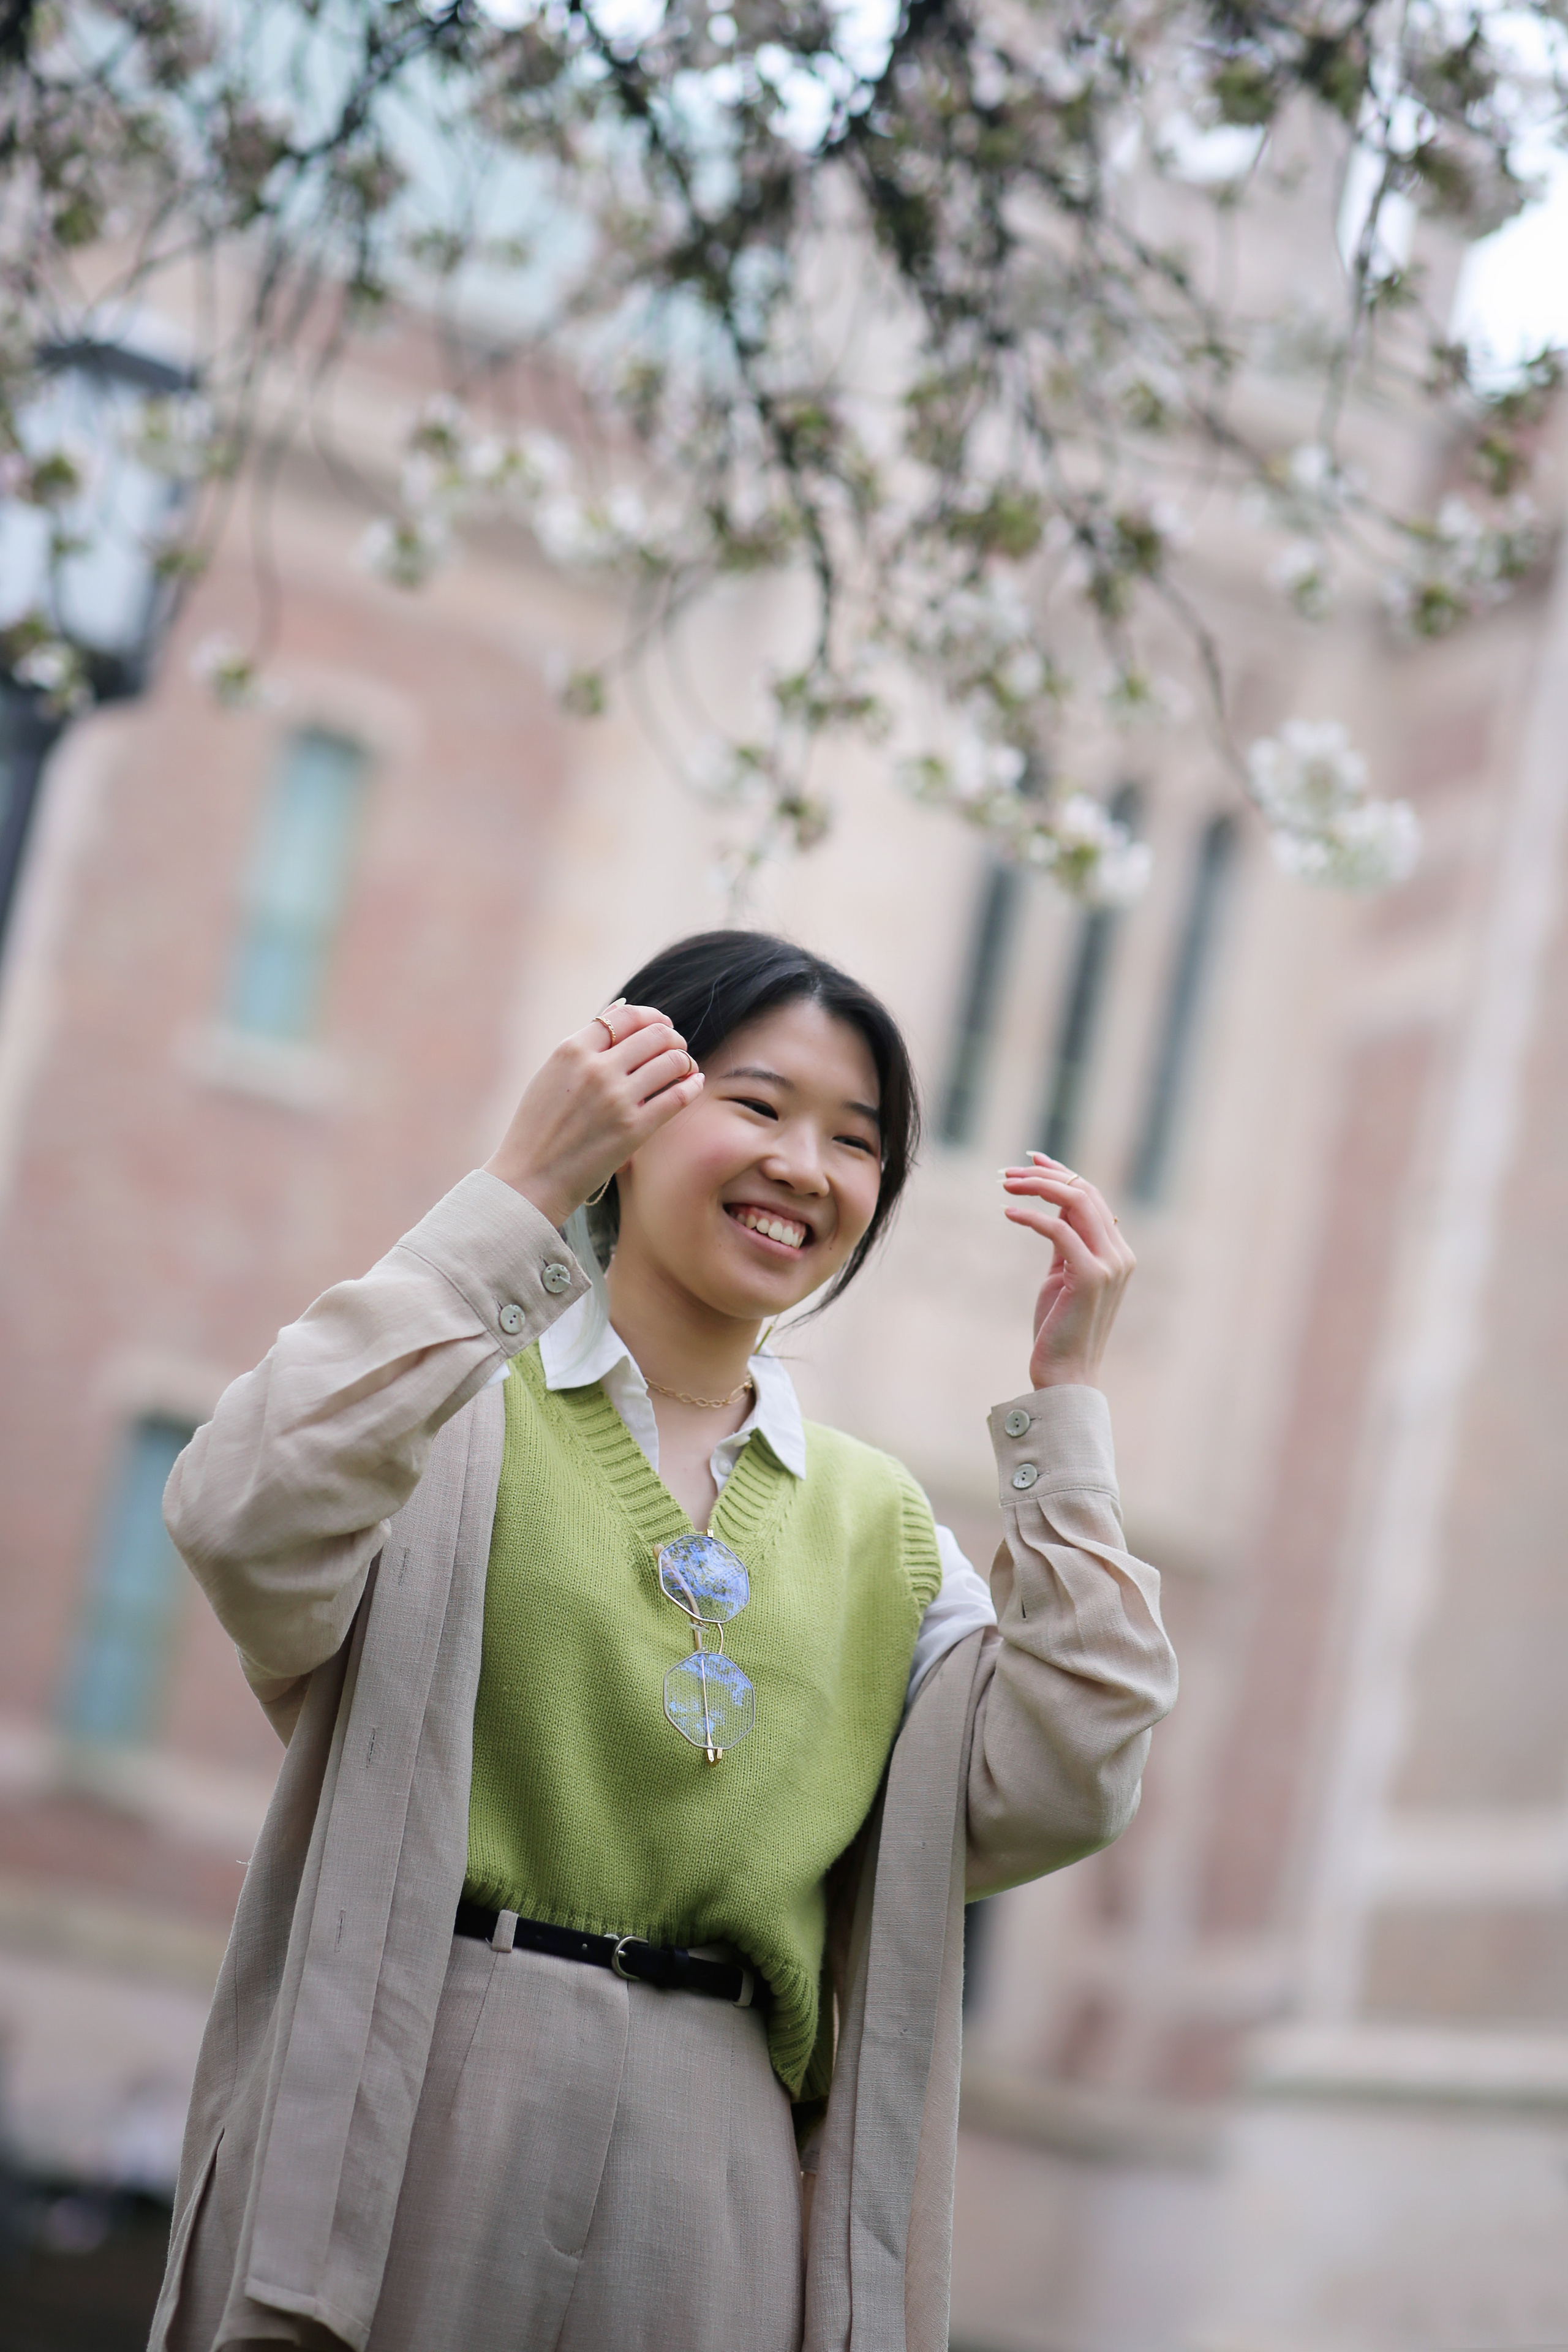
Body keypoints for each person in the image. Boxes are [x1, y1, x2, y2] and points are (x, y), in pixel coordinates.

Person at [149, 927, 1177, 2352]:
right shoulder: (444, 1415)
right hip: (427, 2070)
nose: (805, 1169)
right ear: (627, 1113)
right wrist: (515, 1195)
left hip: (717, 2147)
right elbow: (240, 1511)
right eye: (756, 1106)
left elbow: (1071, 1778)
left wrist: (1064, 1411)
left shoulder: (886, 1531)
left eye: (855, 1141)